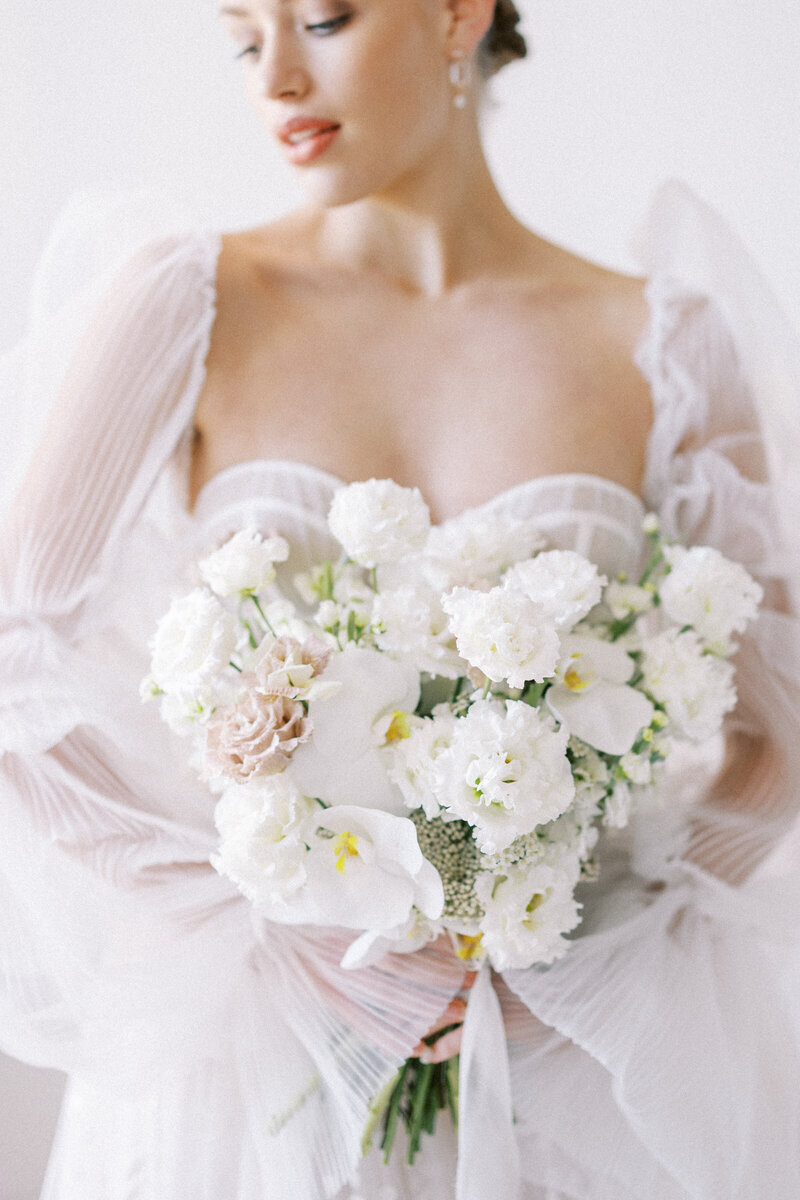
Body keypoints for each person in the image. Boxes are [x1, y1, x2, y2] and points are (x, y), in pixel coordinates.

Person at [1, 1, 799, 1197]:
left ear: (455, 13)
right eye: (241, 36)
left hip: (559, 1083)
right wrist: (262, 932)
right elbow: (13, 653)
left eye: (320, 18)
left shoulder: (658, 341)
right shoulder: (189, 300)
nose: (273, 77)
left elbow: (774, 726)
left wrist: (603, 950)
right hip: (245, 1079)